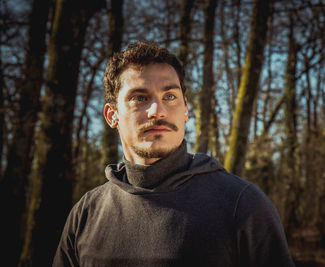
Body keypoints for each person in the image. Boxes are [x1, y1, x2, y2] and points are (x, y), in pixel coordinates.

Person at [53, 41, 295, 267]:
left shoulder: (242, 204)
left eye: (170, 96)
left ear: (186, 109)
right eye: (139, 97)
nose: (157, 111)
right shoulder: (86, 214)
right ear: (111, 115)